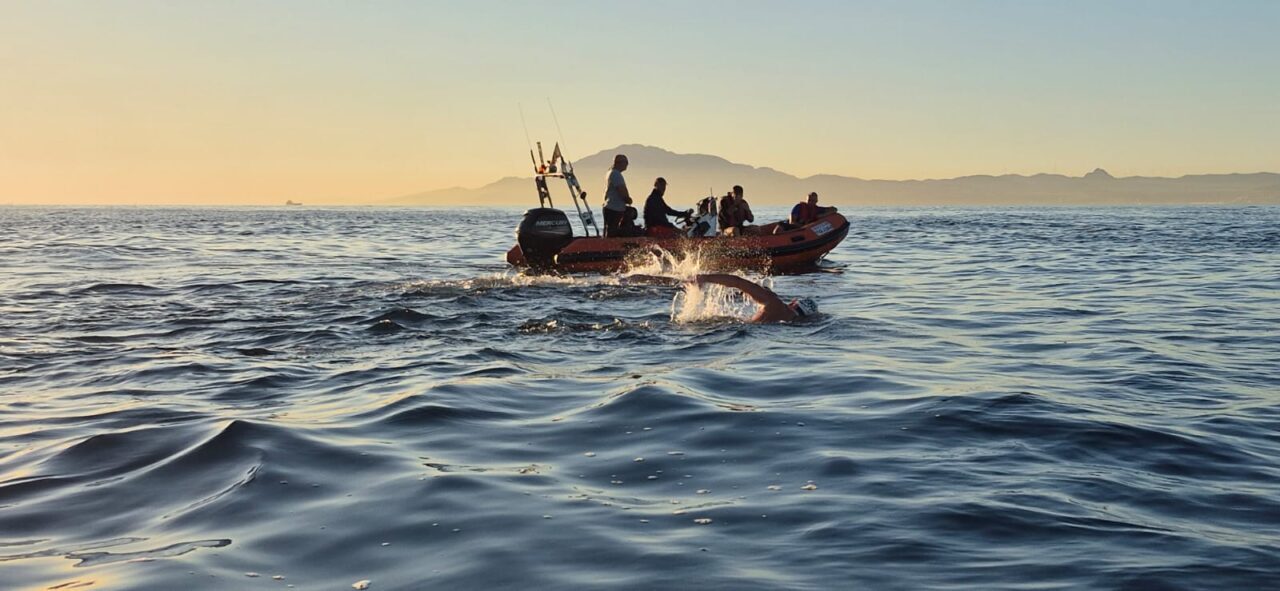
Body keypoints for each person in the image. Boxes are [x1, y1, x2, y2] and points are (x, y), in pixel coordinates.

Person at [602, 154, 631, 237]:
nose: (627, 164)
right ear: (619, 163)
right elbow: (621, 189)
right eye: (625, 162)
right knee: (612, 230)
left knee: (609, 229)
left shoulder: (610, 172)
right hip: (614, 208)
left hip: (610, 206)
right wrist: (628, 199)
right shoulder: (616, 174)